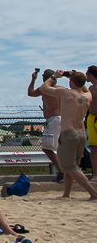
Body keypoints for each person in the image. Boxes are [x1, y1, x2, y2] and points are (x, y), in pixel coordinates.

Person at [39, 70, 97, 200]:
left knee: (69, 167)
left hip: (68, 133)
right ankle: (66, 194)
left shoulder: (66, 93)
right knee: (73, 165)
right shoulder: (87, 96)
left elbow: (44, 88)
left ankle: (93, 193)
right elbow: (85, 88)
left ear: (71, 82)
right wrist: (75, 77)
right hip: (82, 134)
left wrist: (54, 77)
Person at [28, 69, 63, 183]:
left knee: (47, 148)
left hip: (54, 120)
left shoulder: (46, 89)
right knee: (59, 148)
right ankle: (67, 170)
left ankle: (62, 171)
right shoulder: (59, 89)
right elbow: (31, 93)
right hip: (59, 119)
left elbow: (31, 93)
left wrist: (33, 80)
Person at [87, 65, 97, 182]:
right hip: (91, 118)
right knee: (93, 148)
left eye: (87, 74)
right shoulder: (90, 88)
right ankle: (95, 174)